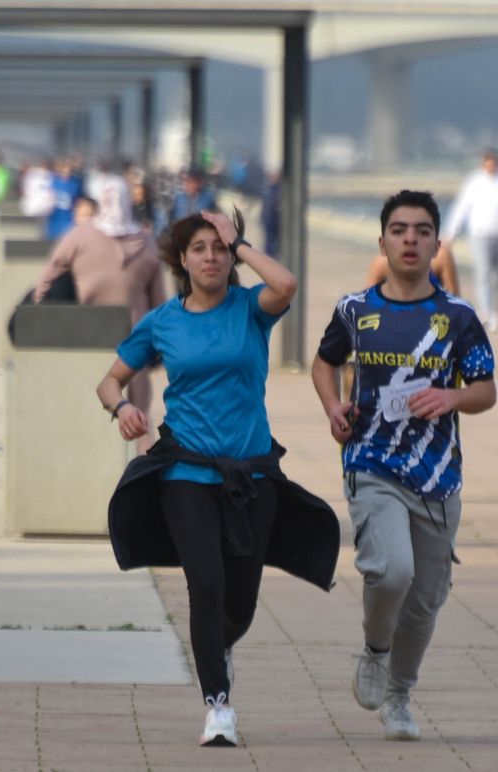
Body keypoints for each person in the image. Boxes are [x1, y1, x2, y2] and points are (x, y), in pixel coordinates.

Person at [97, 209, 339, 747]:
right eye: (200, 249)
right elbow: (111, 382)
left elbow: (287, 284)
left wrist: (243, 242)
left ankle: (219, 646)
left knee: (240, 599)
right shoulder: (163, 321)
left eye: (220, 249)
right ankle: (218, 706)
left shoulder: (251, 310)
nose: (211, 257)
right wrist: (122, 411)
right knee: (205, 585)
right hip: (185, 471)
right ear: (181, 260)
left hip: (251, 474)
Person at [311, 190, 497, 742]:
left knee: (424, 602)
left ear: (437, 244)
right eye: (399, 230)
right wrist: (332, 408)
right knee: (392, 570)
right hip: (372, 463)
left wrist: (452, 399)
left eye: (420, 231)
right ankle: (374, 648)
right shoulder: (355, 309)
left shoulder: (458, 318)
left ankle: (399, 695)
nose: (410, 240)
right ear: (383, 241)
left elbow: (486, 389)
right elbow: (325, 365)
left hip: (439, 480)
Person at [36, 174, 167, 430]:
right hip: (135, 339)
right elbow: (159, 301)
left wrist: (42, 317)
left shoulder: (79, 236)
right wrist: (161, 346)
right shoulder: (147, 242)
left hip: (85, 334)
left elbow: (47, 280)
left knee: (89, 411)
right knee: (136, 412)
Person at [443, 148, 498, 330]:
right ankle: (485, 312)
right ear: (483, 163)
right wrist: (451, 233)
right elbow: (462, 207)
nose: (490, 165)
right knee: (483, 273)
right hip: (479, 234)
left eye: (493, 161)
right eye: (487, 161)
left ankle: (494, 309)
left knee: (497, 275)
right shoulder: (474, 182)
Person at [44, 159, 86, 241]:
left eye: (69, 170)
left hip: (69, 216)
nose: (67, 172)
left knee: (68, 238)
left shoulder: (75, 183)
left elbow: (79, 198)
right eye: (64, 169)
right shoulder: (53, 182)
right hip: (55, 216)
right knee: (54, 239)